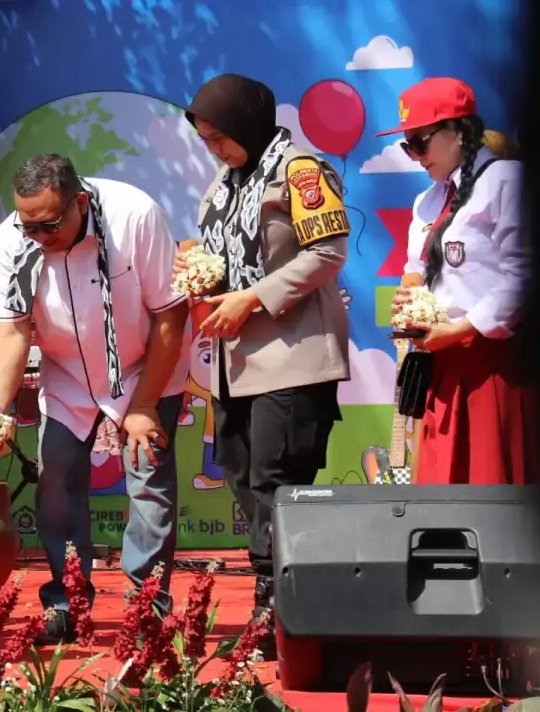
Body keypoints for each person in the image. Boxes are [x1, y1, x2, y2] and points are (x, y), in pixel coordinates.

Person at [178, 73, 350, 656]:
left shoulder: (299, 170)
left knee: (276, 481)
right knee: (239, 471)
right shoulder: (228, 183)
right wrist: (199, 268)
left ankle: (276, 612)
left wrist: (252, 297)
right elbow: (228, 254)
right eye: (206, 140)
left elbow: (328, 252)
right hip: (238, 361)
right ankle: (277, 596)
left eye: (220, 137)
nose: (215, 149)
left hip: (293, 356)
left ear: (248, 122)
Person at [0, 154, 188, 644]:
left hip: (144, 367)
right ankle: (66, 602)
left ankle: (147, 610)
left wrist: (141, 405)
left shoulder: (134, 215)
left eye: (49, 224)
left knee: (148, 485)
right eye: (28, 225)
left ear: (80, 202)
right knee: (55, 479)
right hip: (68, 372)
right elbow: (12, 330)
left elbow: (169, 316)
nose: (38, 236)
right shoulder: (16, 234)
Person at [383, 77, 535, 484]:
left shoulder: (507, 180)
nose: (414, 155)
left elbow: (523, 278)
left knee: (491, 480)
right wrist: (411, 296)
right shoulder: (428, 199)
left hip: (492, 363)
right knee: (439, 485)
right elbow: (415, 263)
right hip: (440, 361)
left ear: (459, 131)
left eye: (420, 142)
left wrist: (460, 330)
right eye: (406, 145)